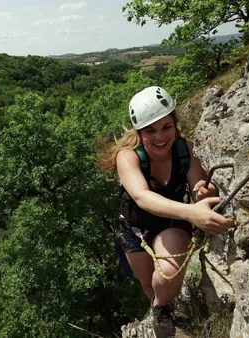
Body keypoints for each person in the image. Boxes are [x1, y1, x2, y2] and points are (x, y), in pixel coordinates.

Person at [98, 86, 233, 338]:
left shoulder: (186, 151)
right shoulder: (128, 157)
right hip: (135, 230)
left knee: (167, 275)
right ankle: (161, 307)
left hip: (171, 223)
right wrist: (192, 212)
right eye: (150, 130)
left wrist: (200, 193)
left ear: (175, 124)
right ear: (139, 132)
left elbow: (196, 185)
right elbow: (141, 196)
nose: (160, 136)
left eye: (166, 127)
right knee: (149, 285)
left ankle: (160, 308)